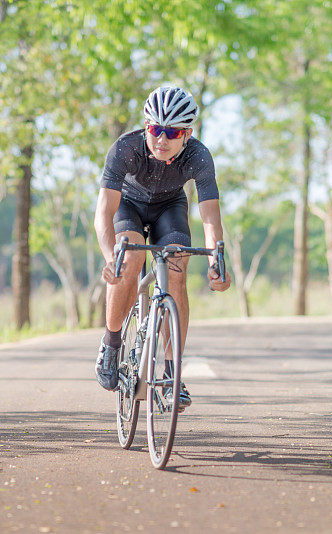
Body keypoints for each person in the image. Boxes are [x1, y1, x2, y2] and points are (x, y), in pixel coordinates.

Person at [93, 85, 231, 409]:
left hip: (170, 208)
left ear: (187, 134)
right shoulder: (125, 148)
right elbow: (104, 212)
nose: (162, 140)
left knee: (178, 267)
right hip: (129, 206)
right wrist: (110, 257)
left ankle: (171, 374)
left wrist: (217, 261)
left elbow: (210, 216)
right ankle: (112, 344)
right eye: (156, 129)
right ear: (146, 127)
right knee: (129, 257)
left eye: (172, 132)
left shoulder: (199, 155)